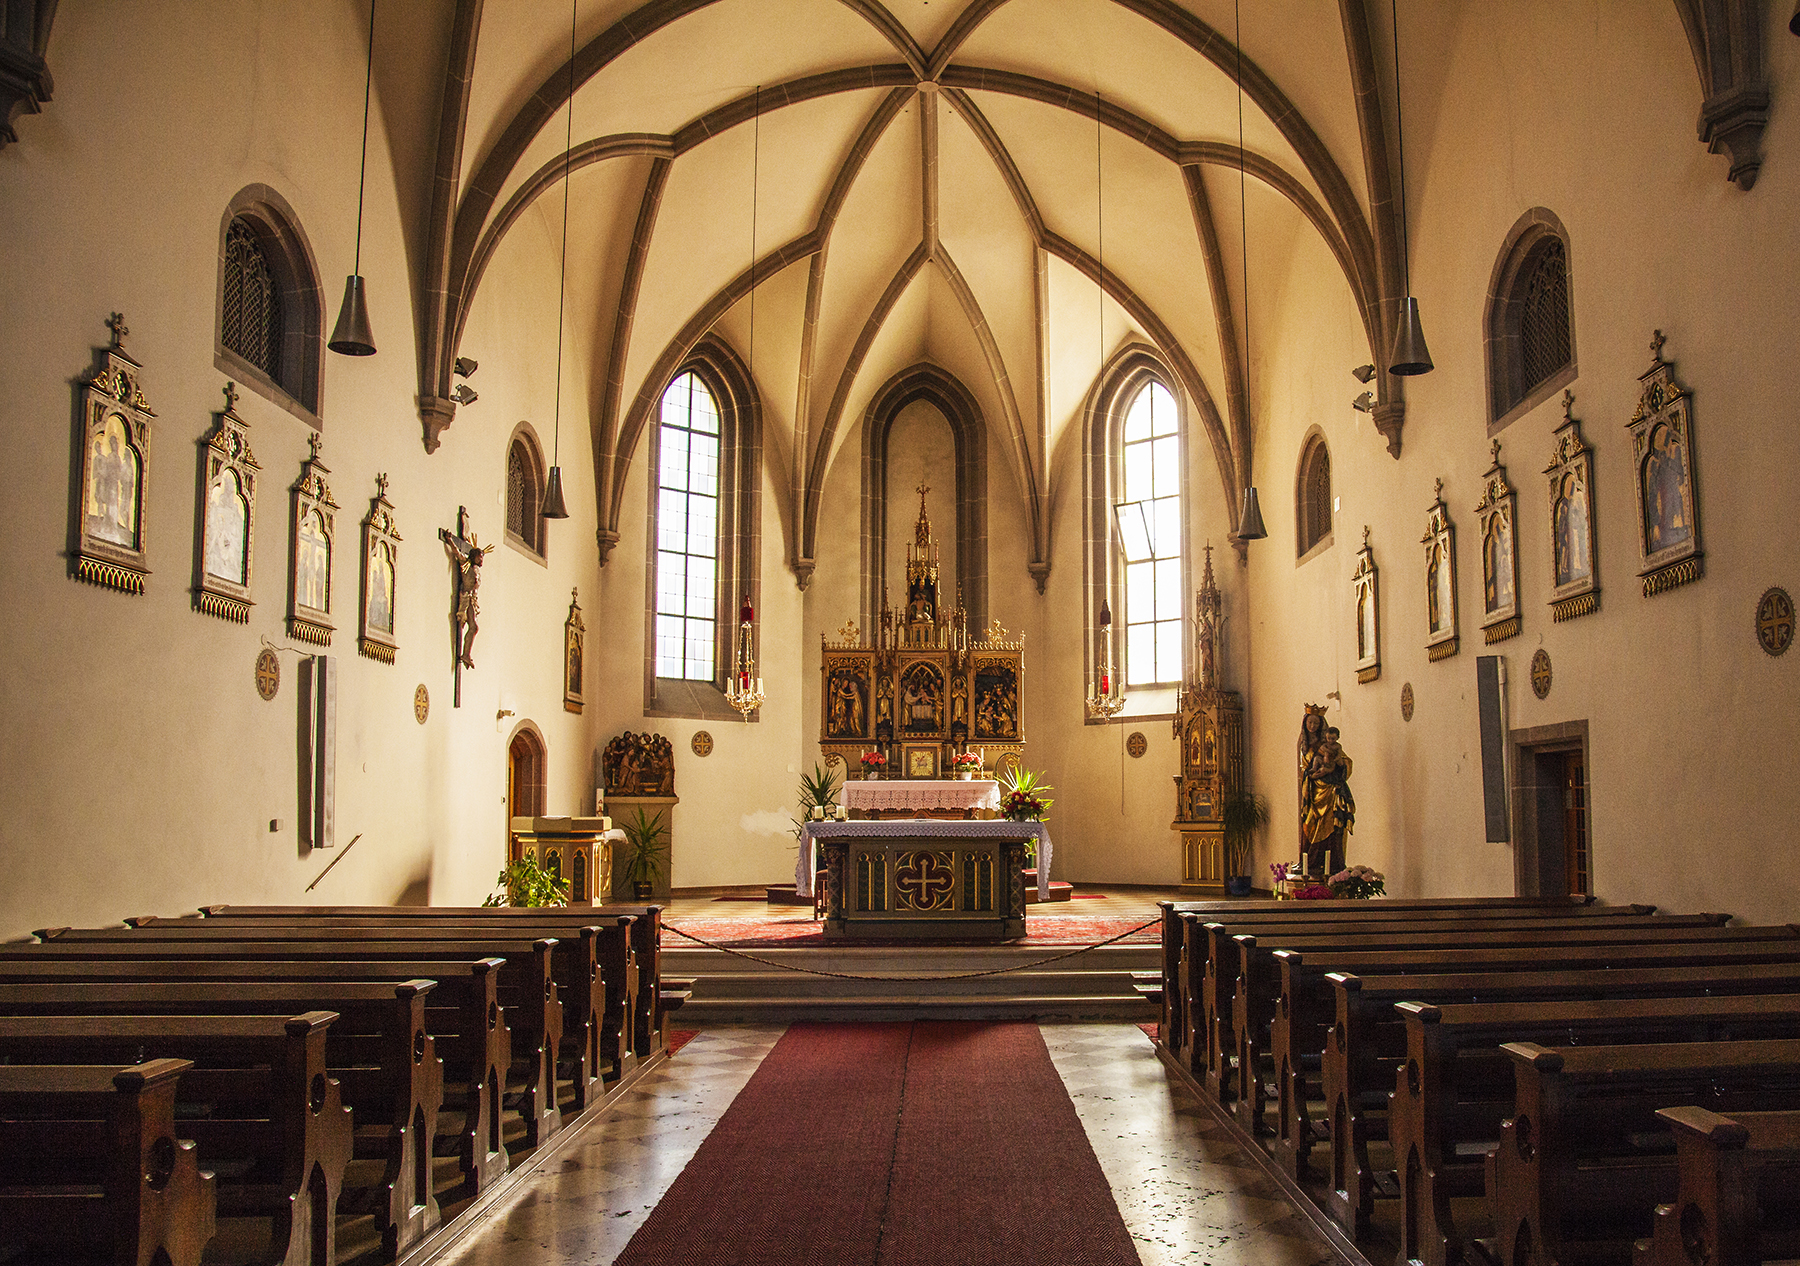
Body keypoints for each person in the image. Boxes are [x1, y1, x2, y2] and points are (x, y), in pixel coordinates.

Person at [1300, 726, 1355, 877]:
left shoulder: (1337, 748)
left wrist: (1338, 763)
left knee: (1332, 824)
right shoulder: (1316, 749)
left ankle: (1333, 864)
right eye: (1310, 723)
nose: (1312, 727)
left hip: (1331, 789)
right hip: (1317, 791)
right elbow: (1309, 766)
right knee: (1310, 823)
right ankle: (1311, 861)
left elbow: (1344, 764)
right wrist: (1312, 773)